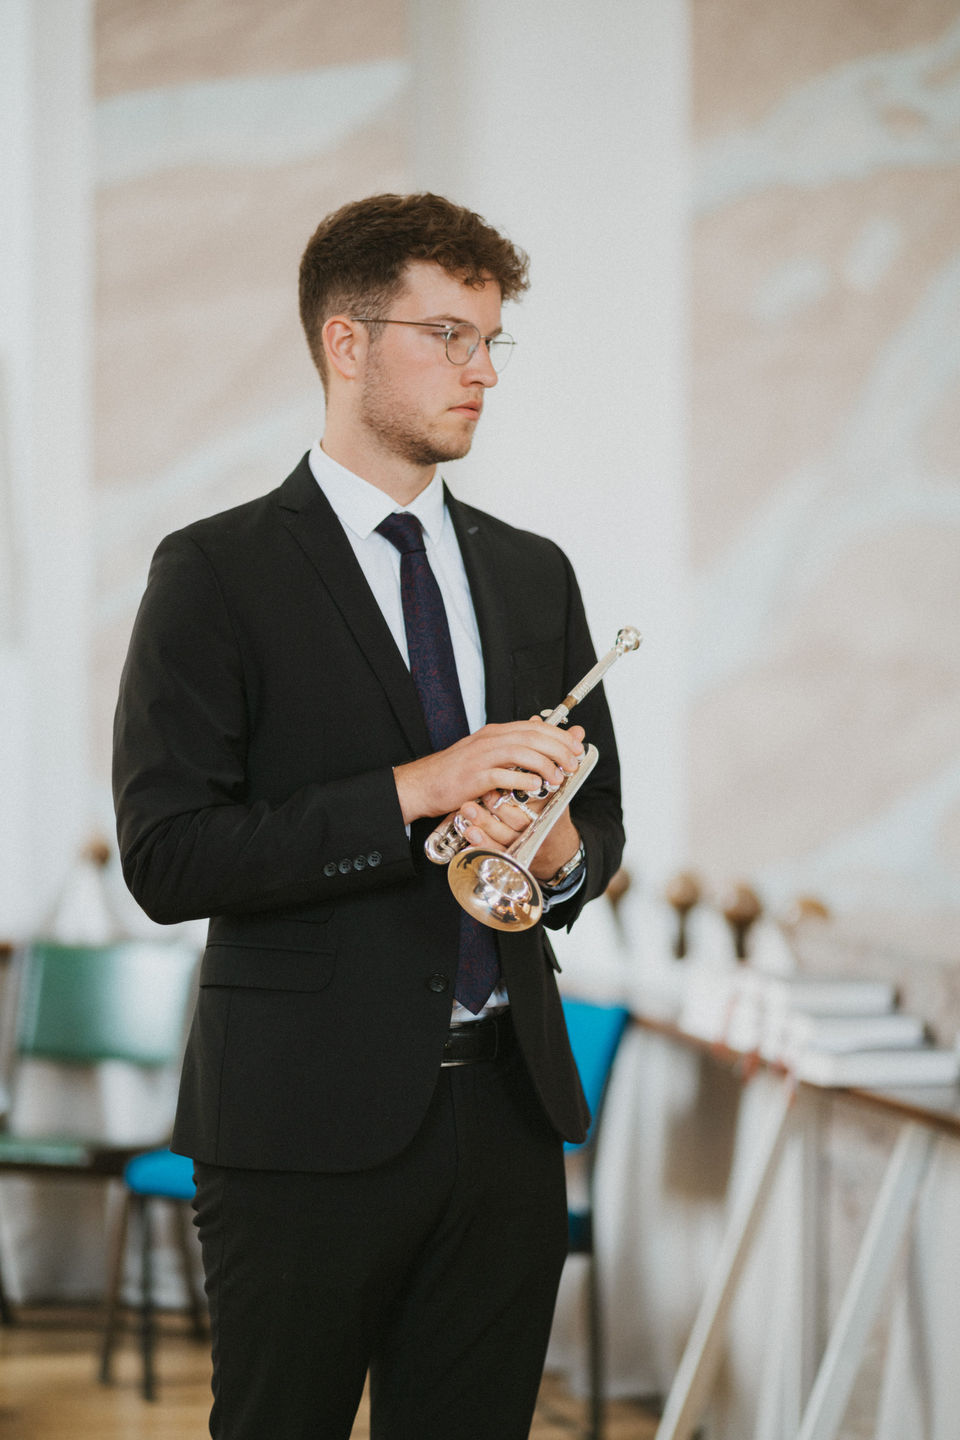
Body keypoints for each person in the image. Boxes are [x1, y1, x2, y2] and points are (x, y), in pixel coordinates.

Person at [113, 192, 624, 1440]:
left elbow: (598, 830)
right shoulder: (214, 570)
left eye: (493, 341)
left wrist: (558, 850)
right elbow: (169, 856)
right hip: (298, 1126)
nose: (482, 373)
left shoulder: (532, 570)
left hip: (508, 1117)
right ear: (346, 342)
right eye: (449, 337)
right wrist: (420, 791)